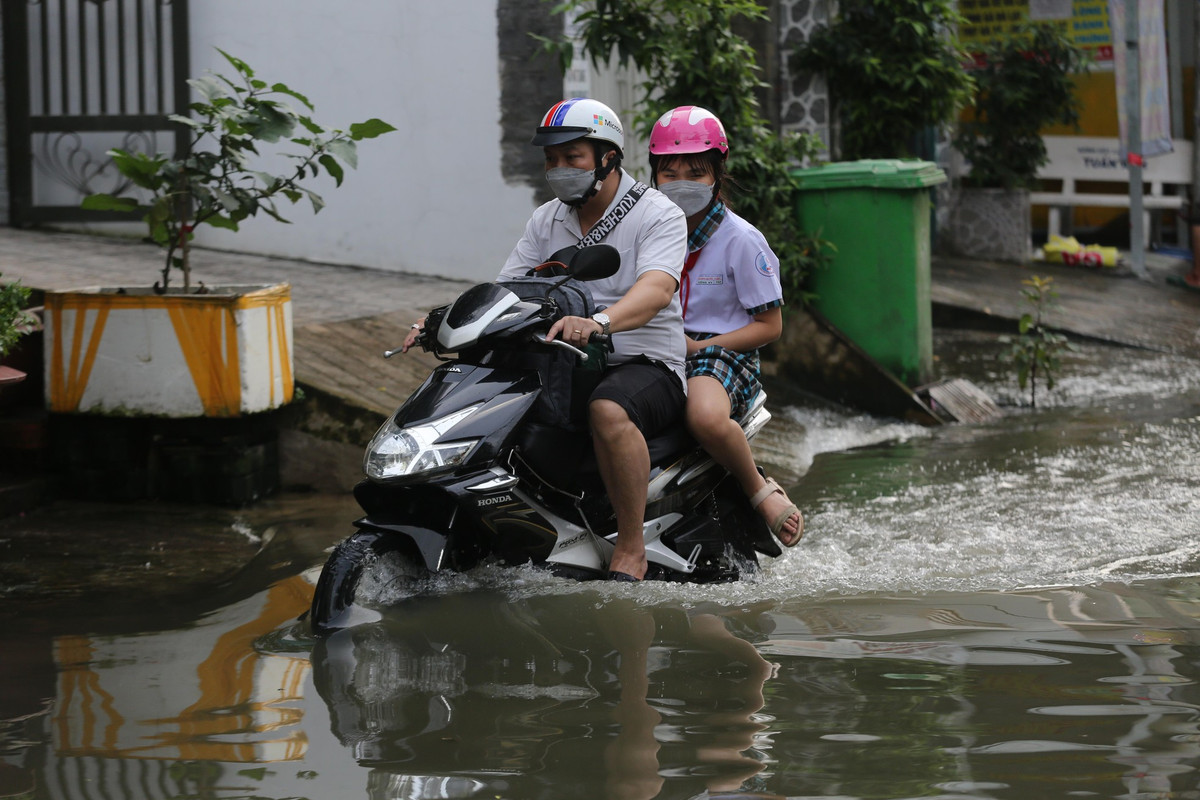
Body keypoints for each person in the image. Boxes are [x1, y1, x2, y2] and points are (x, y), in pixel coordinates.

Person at [402, 97, 688, 582]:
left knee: (608, 410)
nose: (558, 169)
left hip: (643, 361)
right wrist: (441, 321)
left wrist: (602, 322)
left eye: (571, 157)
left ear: (607, 157)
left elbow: (657, 289)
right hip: (563, 360)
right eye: (551, 159)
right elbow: (507, 289)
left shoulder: (656, 214)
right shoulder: (547, 219)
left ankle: (631, 546)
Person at [648, 105, 803, 546]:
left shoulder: (742, 239)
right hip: (657, 347)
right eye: (669, 172)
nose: (681, 183)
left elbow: (770, 326)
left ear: (718, 174)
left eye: (695, 173)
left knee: (704, 417)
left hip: (720, 356)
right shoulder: (650, 232)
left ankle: (757, 488)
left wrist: (702, 347)